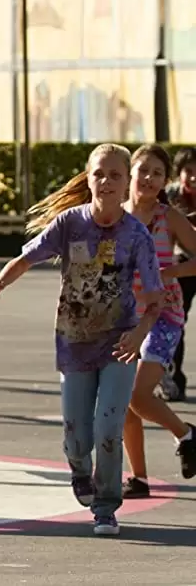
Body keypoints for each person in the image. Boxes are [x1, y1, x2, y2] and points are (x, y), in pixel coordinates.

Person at [0, 143, 163, 537]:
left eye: (116, 175)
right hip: (74, 341)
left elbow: (154, 301)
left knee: (108, 427)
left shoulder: (136, 236)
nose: (107, 182)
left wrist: (139, 335)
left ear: (126, 180)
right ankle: (80, 470)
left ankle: (106, 507)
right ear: (88, 177)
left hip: (120, 344)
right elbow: (27, 257)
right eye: (100, 174)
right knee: (77, 436)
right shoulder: (69, 224)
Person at [120, 145, 196, 497]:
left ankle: (186, 434)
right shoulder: (114, 216)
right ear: (130, 173)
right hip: (123, 315)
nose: (149, 178)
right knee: (122, 398)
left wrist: (169, 271)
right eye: (143, 170)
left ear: (165, 181)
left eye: (157, 173)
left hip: (164, 315)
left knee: (138, 394)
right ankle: (139, 478)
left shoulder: (170, 218)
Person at [164, 146, 196, 401]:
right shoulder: (169, 195)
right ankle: (174, 380)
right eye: (189, 171)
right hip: (184, 262)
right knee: (176, 321)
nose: (194, 177)